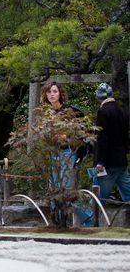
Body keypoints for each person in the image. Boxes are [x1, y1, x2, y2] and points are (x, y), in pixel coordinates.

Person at [40, 81, 93, 226]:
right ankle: (58, 221)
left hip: (68, 152)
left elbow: (83, 134)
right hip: (52, 153)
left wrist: (67, 138)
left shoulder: (70, 111)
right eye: (49, 92)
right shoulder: (46, 113)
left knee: (67, 189)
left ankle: (89, 219)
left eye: (55, 91)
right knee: (55, 189)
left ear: (60, 93)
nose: (52, 94)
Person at [94, 82, 130, 203]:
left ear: (99, 97)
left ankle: (90, 222)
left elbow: (103, 138)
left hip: (107, 163)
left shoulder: (103, 112)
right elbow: (125, 136)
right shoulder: (122, 110)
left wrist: (100, 161)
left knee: (98, 199)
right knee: (128, 195)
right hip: (121, 161)